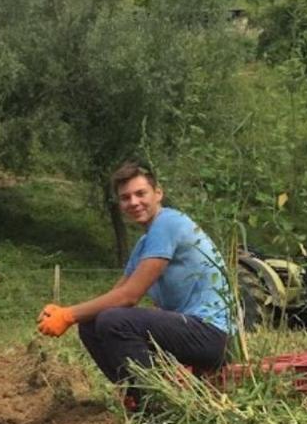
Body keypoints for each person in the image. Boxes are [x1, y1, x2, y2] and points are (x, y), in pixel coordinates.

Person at [36, 162, 232, 408]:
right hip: (190, 331)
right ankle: (135, 395)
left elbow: (129, 296)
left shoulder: (168, 224)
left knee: (114, 321)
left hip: (211, 334)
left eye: (141, 194)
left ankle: (154, 406)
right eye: (125, 197)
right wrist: (70, 312)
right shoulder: (145, 242)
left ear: (158, 193)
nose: (134, 202)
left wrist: (68, 315)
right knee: (92, 322)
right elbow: (116, 293)